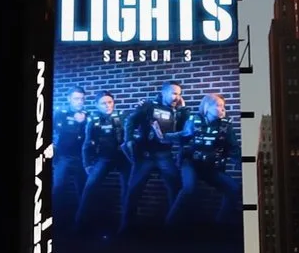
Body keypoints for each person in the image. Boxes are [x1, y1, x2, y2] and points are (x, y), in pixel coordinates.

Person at [121, 79, 186, 232]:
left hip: (165, 155)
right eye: (173, 93)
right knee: (134, 189)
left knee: (175, 187)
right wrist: (128, 139)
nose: (176, 97)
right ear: (163, 92)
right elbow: (130, 120)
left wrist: (183, 109)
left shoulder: (177, 110)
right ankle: (126, 226)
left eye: (179, 94)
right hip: (146, 155)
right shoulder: (149, 105)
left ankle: (173, 226)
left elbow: (183, 129)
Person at [176, 92, 235, 224]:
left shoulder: (225, 125)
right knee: (189, 188)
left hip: (211, 166)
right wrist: (164, 137)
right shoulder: (194, 120)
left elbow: (233, 146)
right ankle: (170, 224)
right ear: (208, 107)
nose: (223, 109)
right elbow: (182, 138)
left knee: (234, 188)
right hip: (191, 163)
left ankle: (220, 224)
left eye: (223, 106)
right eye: (219, 106)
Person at [78, 91, 125, 233]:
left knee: (127, 189)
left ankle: (125, 227)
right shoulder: (93, 120)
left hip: (124, 158)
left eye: (110, 102)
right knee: (89, 187)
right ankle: (79, 224)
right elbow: (86, 144)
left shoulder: (123, 116)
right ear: (97, 105)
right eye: (103, 103)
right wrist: (87, 164)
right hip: (104, 158)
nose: (107, 105)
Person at [53, 89, 89, 214]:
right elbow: (57, 132)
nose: (80, 102)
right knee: (58, 187)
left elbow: (89, 137)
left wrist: (83, 122)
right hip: (64, 157)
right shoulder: (61, 113)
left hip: (81, 158)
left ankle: (81, 220)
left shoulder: (87, 115)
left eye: (82, 99)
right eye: (76, 99)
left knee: (82, 189)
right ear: (69, 99)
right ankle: (55, 216)